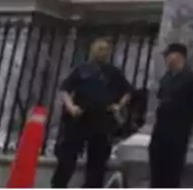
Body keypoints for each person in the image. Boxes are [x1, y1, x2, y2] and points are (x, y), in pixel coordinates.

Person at [51, 37, 133, 188]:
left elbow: (128, 91)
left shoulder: (113, 72)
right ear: (93, 50)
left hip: (102, 120)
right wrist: (71, 107)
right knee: (67, 159)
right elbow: (64, 90)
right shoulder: (81, 69)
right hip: (79, 118)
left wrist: (118, 106)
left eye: (106, 49)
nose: (103, 52)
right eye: (100, 49)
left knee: (97, 162)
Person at [149, 42, 193, 188]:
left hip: (177, 132)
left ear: (177, 56)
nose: (166, 59)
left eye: (168, 56)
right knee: (157, 173)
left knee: (171, 174)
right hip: (160, 132)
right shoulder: (166, 77)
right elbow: (161, 96)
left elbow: (190, 99)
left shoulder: (189, 78)